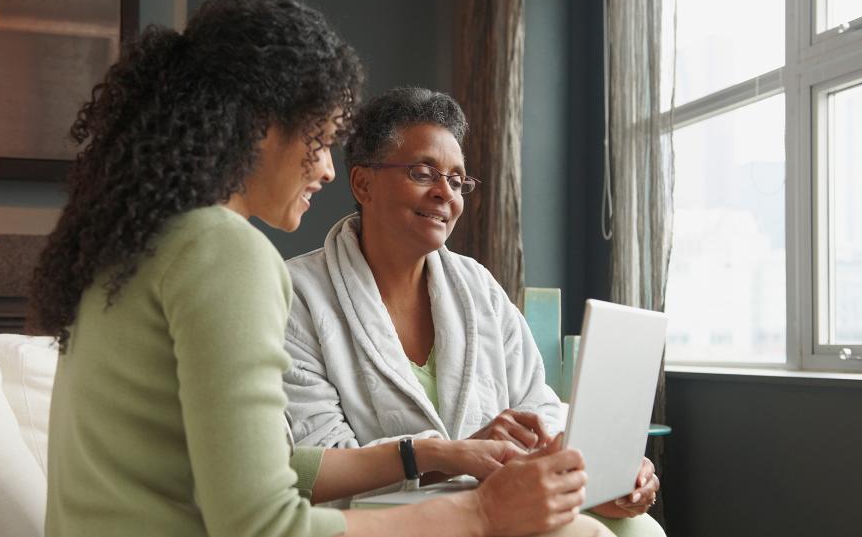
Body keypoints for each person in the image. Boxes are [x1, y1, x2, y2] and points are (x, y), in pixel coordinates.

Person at [30, 0, 612, 537]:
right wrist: (482, 511)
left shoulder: (131, 249)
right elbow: (265, 525)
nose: (329, 170)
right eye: (321, 138)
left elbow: (254, 467)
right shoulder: (227, 252)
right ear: (259, 124)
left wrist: (429, 452)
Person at [282, 87, 663, 536]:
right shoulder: (298, 295)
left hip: (498, 495)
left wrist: (596, 472)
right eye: (424, 173)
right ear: (363, 183)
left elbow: (537, 404)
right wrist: (453, 454)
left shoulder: (476, 286)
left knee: (639, 530)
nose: (446, 193)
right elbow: (318, 461)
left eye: (458, 181)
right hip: (389, 516)